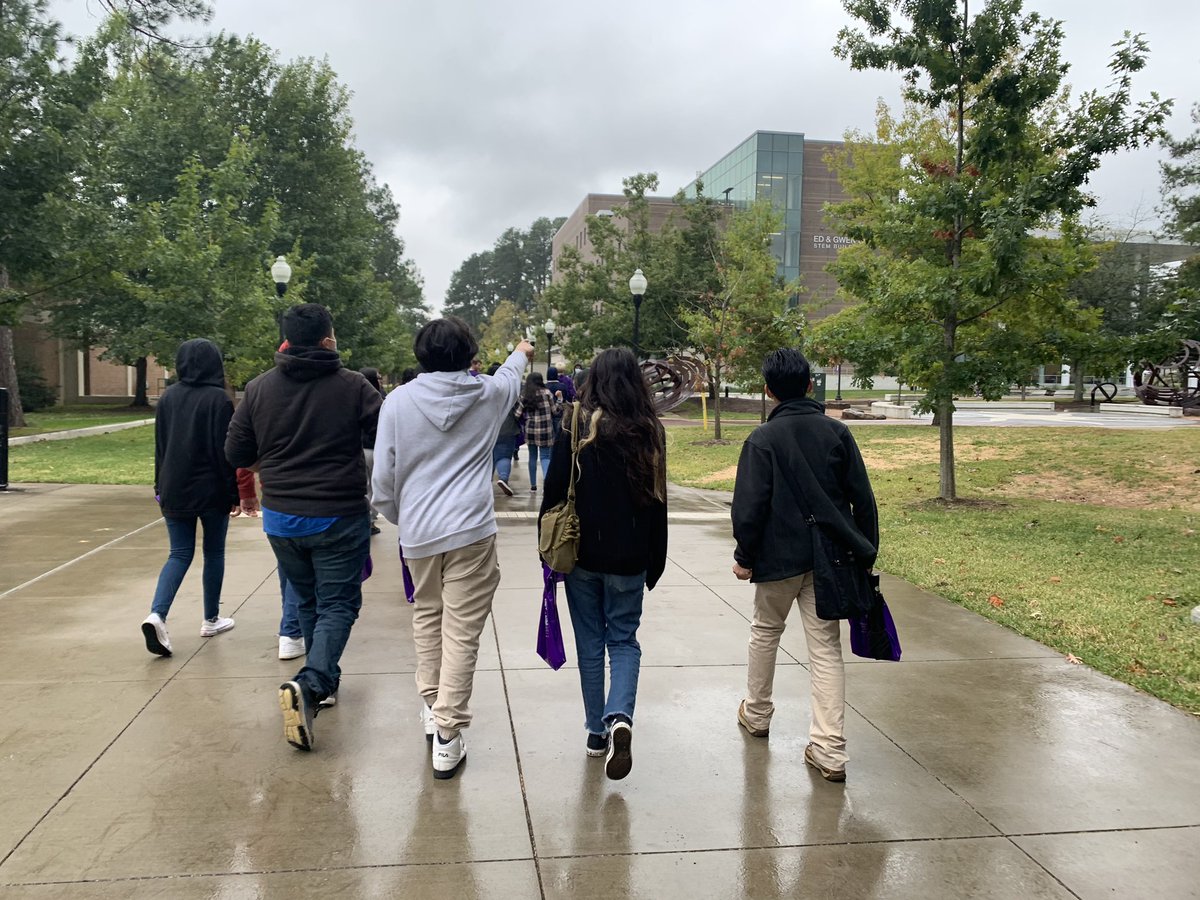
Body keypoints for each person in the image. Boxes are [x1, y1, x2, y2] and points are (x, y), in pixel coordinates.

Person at [373, 317, 533, 780]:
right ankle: (447, 731)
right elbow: (510, 374)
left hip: (419, 533)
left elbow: (383, 479)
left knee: (427, 614)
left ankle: (433, 706)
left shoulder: (397, 402)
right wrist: (522, 351)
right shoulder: (487, 395)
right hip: (471, 531)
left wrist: (403, 519)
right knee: (461, 630)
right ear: (468, 356)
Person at [226, 303, 382, 752]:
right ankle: (313, 684)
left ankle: (321, 684)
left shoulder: (258, 389)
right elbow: (382, 439)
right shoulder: (353, 387)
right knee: (338, 604)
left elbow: (236, 451)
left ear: (287, 339)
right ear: (328, 339)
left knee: (309, 599)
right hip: (337, 513)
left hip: (281, 518)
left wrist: (272, 467)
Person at [730, 348, 878, 783]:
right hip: (830, 558)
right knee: (825, 648)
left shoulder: (762, 439)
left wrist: (744, 557)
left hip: (777, 559)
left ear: (768, 389)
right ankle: (830, 749)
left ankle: (757, 713)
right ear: (811, 385)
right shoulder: (837, 434)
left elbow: (749, 507)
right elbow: (863, 499)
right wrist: (866, 549)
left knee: (765, 632)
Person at [540, 347, 668, 780]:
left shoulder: (575, 423)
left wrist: (547, 547)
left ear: (593, 378)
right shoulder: (650, 429)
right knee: (625, 641)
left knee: (591, 644)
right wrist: (656, 559)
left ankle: (596, 732)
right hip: (631, 556)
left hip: (582, 555)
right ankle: (621, 718)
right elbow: (658, 502)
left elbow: (556, 488)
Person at [141, 338, 239, 657]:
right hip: (210, 488)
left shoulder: (168, 398)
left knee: (179, 553)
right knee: (214, 552)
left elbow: (160, 447)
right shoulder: (219, 400)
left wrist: (159, 486)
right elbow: (224, 453)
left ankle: (157, 613)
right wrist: (233, 492)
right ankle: (211, 618)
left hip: (173, 486)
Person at [516, 372, 561, 492]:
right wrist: (560, 400)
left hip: (530, 429)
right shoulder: (547, 393)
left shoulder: (525, 394)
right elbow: (555, 411)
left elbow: (517, 414)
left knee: (532, 457)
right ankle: (547, 483)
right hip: (546, 429)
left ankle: (533, 485)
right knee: (545, 457)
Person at [360, 367, 388, 536]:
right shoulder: (379, 398)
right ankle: (370, 517)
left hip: (361, 449)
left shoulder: (353, 396)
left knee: (365, 487)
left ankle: (368, 518)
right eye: (378, 377)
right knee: (373, 487)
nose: (380, 380)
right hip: (374, 448)